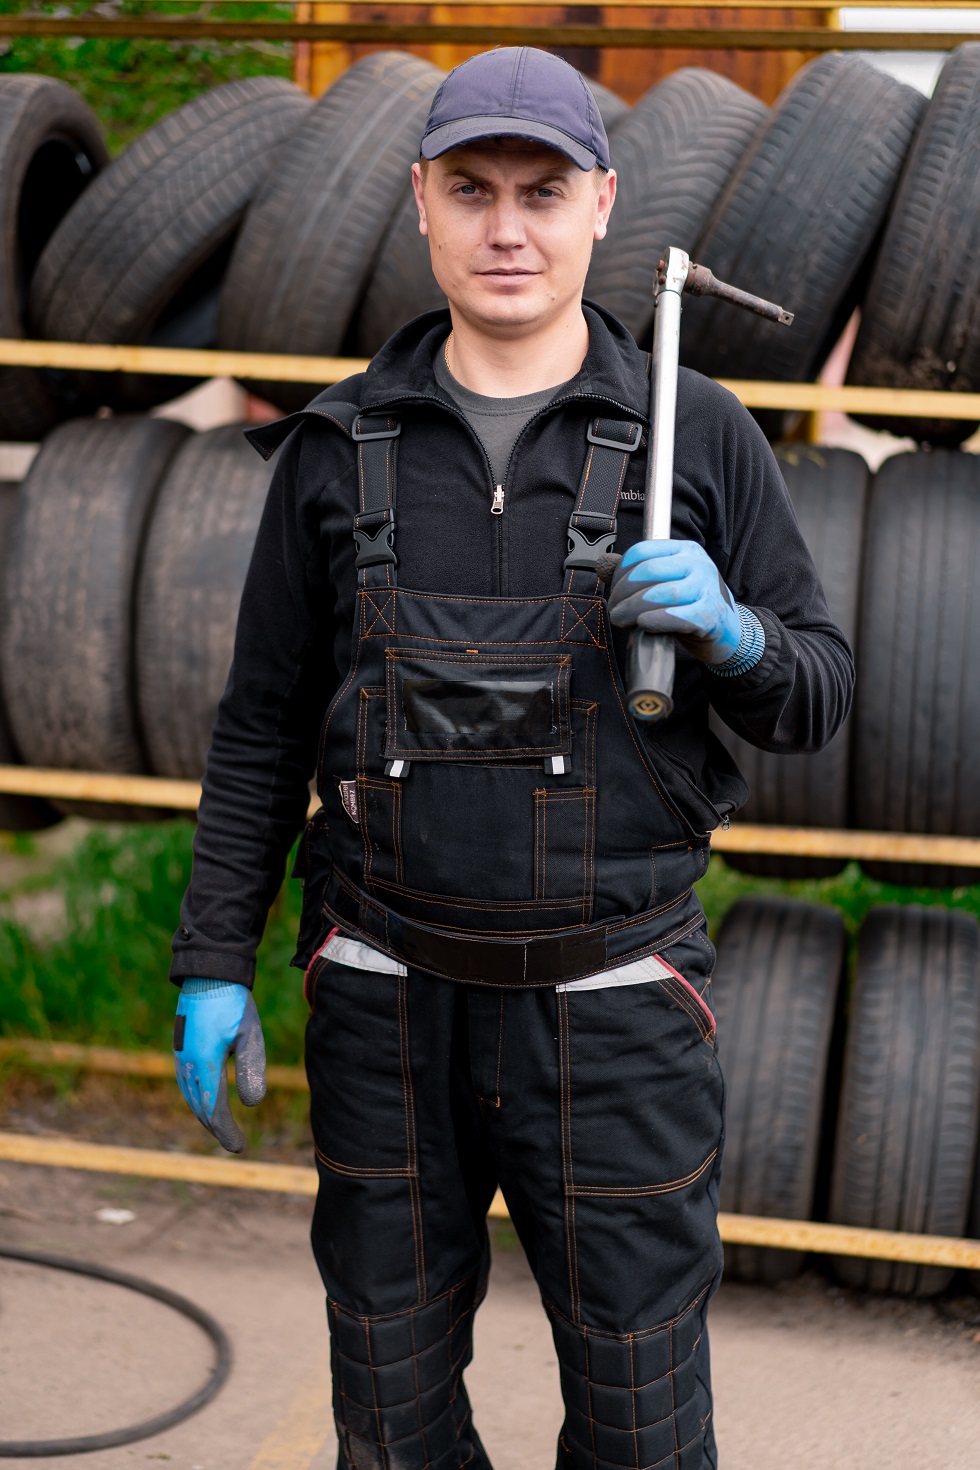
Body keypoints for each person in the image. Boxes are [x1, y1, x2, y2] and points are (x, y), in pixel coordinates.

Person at [171, 46, 853, 1470]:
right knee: (393, 1419)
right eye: (471, 188)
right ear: (420, 200)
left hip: (613, 1014)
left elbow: (820, 694)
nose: (507, 226)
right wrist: (213, 961)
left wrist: (735, 635)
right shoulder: (337, 443)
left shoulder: (696, 435)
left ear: (601, 206)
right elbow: (259, 728)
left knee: (641, 1423)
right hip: (383, 1005)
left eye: (543, 191)